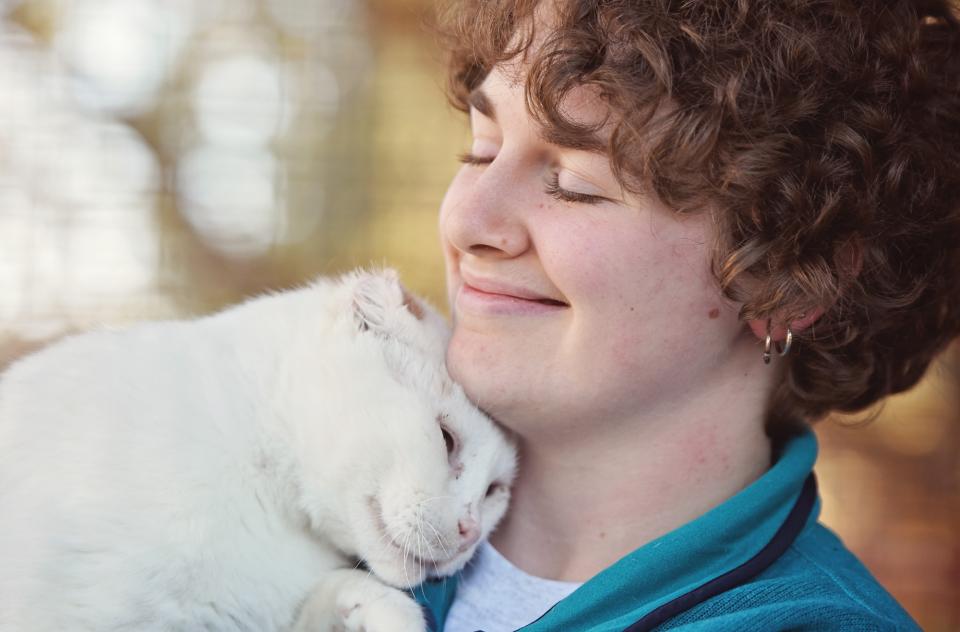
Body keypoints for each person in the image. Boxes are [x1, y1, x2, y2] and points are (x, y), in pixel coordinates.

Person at [415, 0, 960, 630]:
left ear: (791, 281)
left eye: (574, 182)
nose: (466, 221)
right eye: (482, 151)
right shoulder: (313, 498)